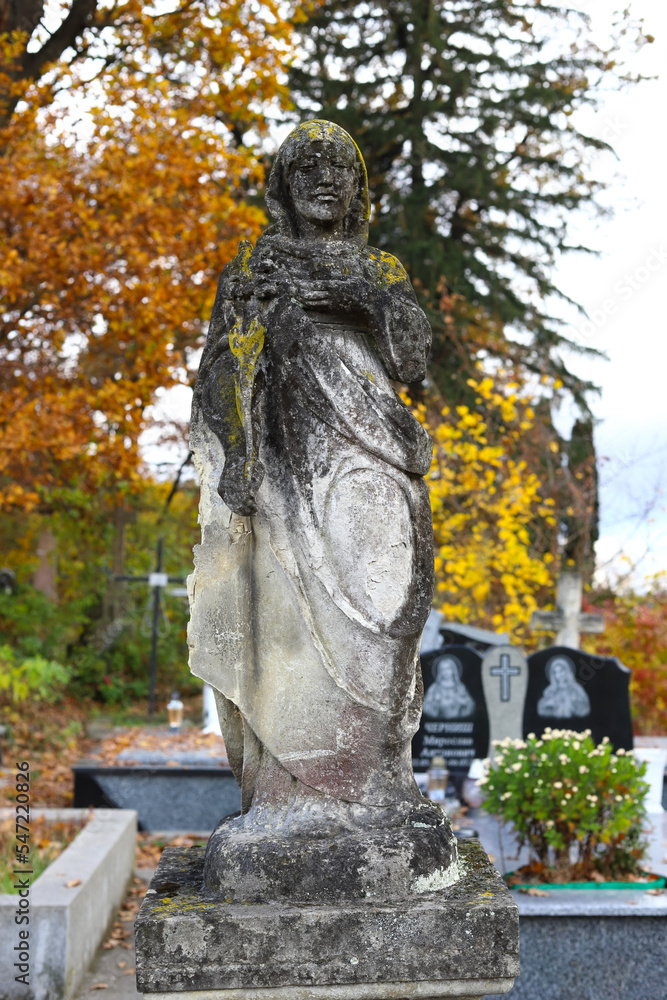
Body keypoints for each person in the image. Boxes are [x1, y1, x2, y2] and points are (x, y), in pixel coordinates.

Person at [189, 121, 435, 832]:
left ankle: (378, 781)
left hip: (372, 460)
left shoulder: (378, 270)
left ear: (358, 188)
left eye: (339, 169)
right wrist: (237, 451)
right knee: (288, 617)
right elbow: (215, 374)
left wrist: (363, 297)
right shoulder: (254, 268)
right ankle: (289, 794)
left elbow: (412, 359)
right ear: (283, 187)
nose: (325, 180)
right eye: (307, 169)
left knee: (386, 606)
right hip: (285, 471)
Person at [422, 655, 476, 719]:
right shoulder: (434, 688)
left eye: (448, 669)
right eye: (442, 669)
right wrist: (436, 703)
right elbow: (425, 706)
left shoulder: (460, 687)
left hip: (458, 722)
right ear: (439, 672)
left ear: (453, 670)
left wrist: (462, 702)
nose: (446, 672)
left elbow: (470, 705)